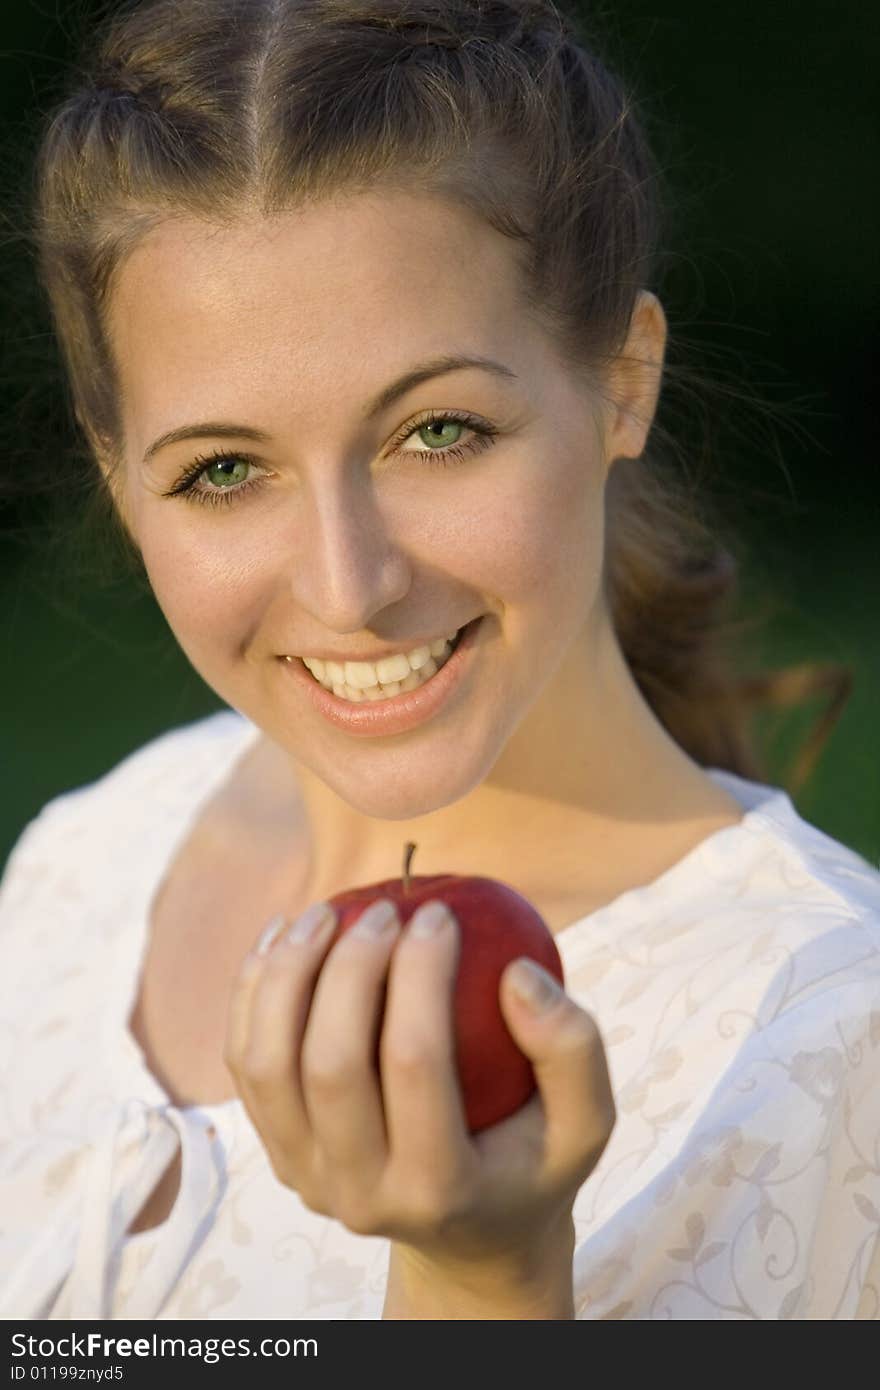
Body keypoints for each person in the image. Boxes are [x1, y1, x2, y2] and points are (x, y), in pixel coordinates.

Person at [1, 0, 877, 1321]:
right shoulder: (84, 865)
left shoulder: (831, 1045)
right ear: (116, 475)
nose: (350, 586)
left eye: (441, 431)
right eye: (224, 469)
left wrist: (489, 1279)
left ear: (622, 380)